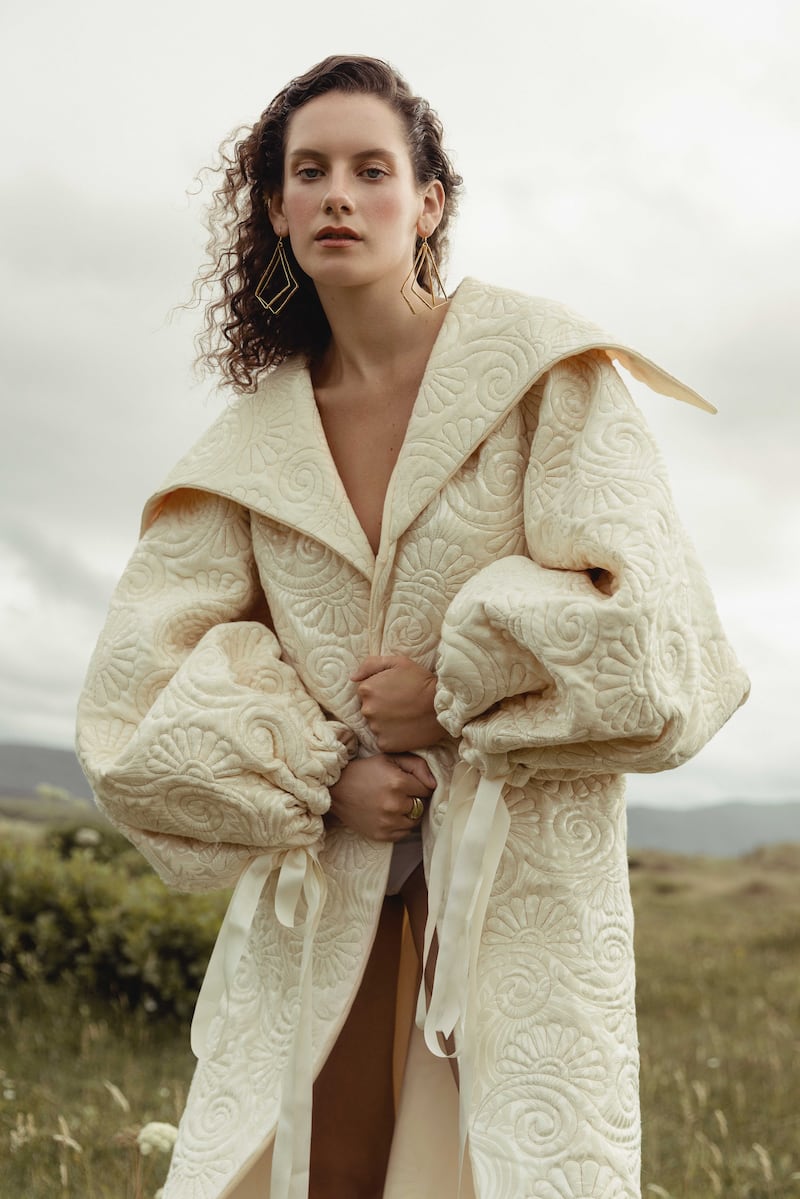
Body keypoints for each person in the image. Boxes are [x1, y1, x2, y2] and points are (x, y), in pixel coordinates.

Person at [76, 54, 749, 1199]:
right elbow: (130, 705)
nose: (339, 193)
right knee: (302, 1172)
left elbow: (666, 644)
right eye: (310, 171)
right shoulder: (248, 451)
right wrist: (325, 773)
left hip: (517, 887)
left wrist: (457, 679)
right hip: (331, 893)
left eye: (371, 168)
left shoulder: (544, 375)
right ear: (277, 208)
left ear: (426, 201)